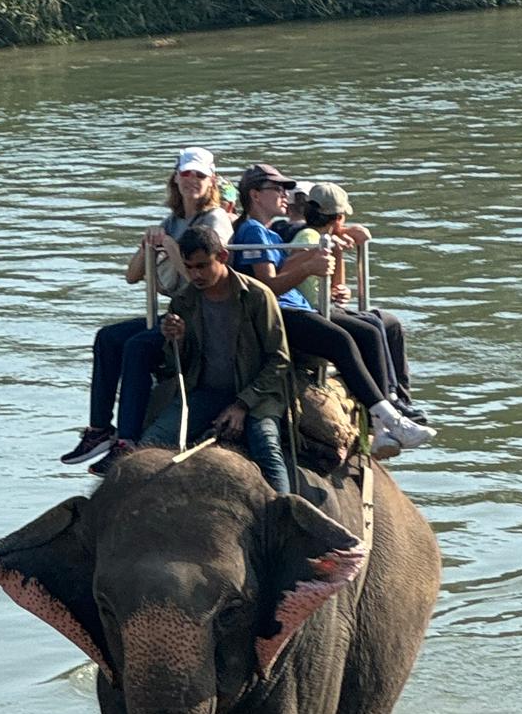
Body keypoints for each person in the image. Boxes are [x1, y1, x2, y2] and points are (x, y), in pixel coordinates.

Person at [230, 165, 433, 455]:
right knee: (343, 340)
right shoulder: (252, 231)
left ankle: (385, 420)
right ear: (255, 195)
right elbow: (268, 287)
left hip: (292, 308)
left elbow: (288, 264)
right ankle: (388, 419)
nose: (285, 196)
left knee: (364, 331)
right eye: (277, 189)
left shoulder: (271, 233)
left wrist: (321, 253)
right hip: (277, 315)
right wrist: (310, 267)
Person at [61, 147, 235, 466]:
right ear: (176, 178)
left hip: (203, 314)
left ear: (211, 181)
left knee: (138, 347)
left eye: (200, 175)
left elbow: (207, 274)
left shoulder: (216, 219)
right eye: (186, 174)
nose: (192, 180)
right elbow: (132, 277)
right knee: (108, 337)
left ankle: (127, 441)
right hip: (178, 310)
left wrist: (170, 247)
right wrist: (147, 246)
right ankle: (99, 429)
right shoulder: (173, 220)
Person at [133, 225, 292, 494]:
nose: (195, 274)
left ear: (222, 257)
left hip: (256, 395)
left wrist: (243, 404)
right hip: (204, 393)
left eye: (202, 266)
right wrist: (177, 340)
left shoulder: (257, 296)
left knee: (267, 448)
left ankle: (287, 514)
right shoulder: (183, 301)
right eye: (189, 267)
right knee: (151, 443)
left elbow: (279, 359)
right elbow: (175, 367)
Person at [292, 183, 418, 416]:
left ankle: (401, 395)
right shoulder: (309, 237)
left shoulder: (323, 238)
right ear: (338, 217)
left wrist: (339, 257)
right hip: (314, 310)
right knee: (372, 326)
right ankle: (387, 395)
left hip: (325, 304)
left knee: (390, 323)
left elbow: (334, 286)